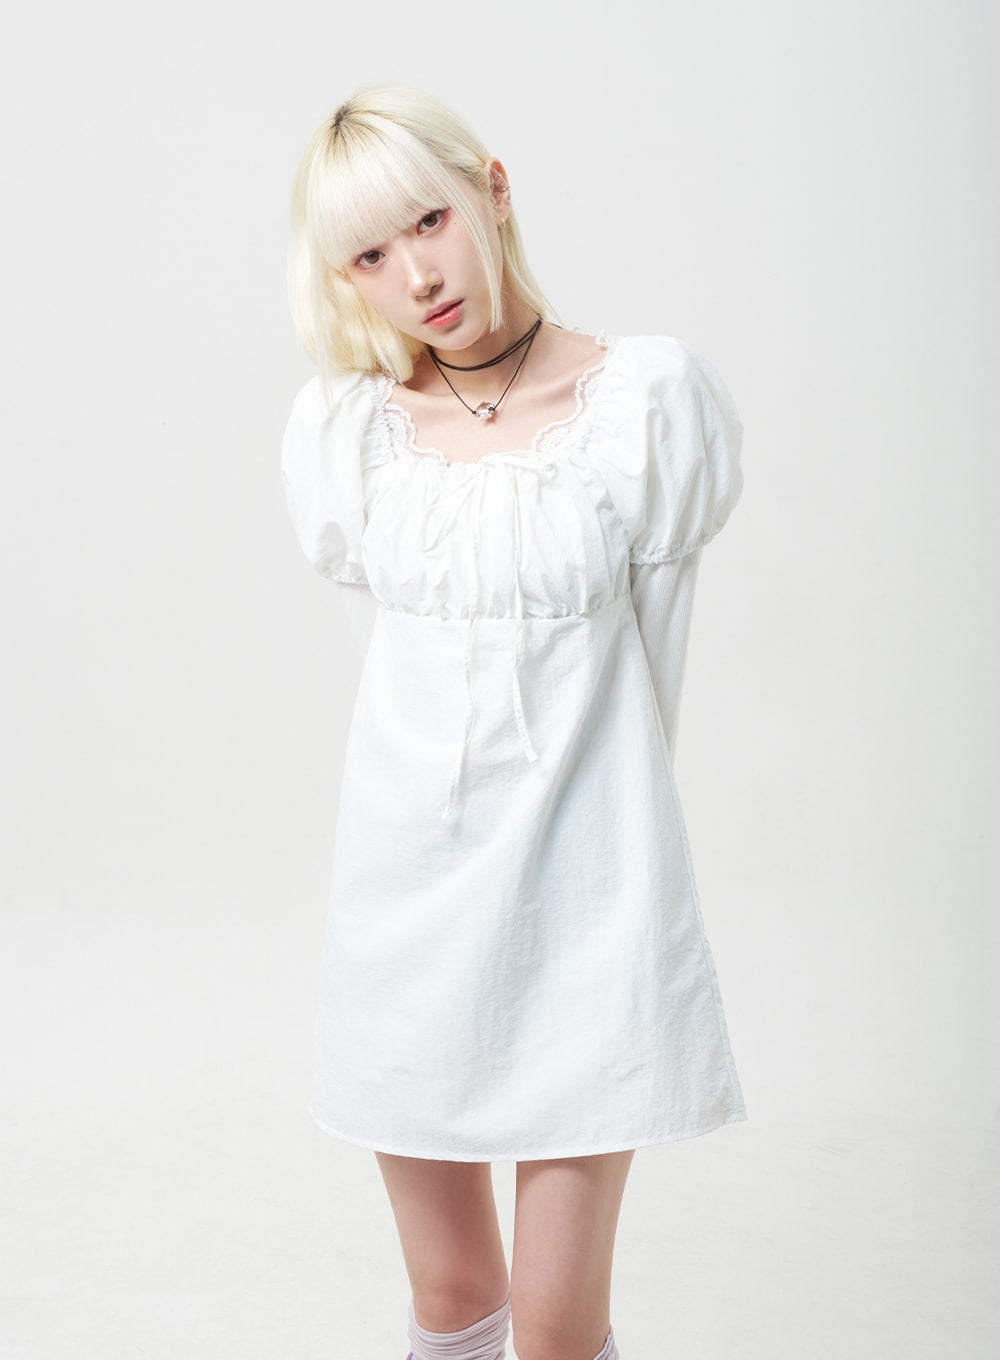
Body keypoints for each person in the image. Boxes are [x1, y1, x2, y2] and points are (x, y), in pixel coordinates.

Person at [280, 84, 746, 1360]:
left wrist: (613, 864)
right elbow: (399, 683)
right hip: (407, 907)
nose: (416, 275)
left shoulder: (644, 402)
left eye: (428, 220)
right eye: (368, 256)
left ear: (490, 189)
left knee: (551, 1327)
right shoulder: (349, 434)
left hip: (587, 895)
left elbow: (657, 663)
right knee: (449, 1304)